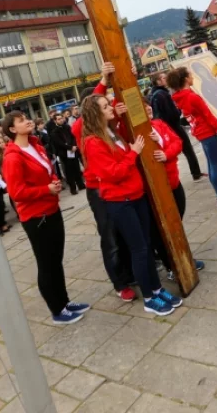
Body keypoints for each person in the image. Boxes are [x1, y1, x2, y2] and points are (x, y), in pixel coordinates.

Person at [80, 95, 181, 317]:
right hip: (120, 201)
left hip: (136, 195)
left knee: (145, 244)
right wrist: (133, 153)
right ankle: (149, 297)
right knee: (139, 250)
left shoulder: (111, 132)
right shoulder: (93, 142)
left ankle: (157, 289)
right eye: (105, 107)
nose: (110, 109)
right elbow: (111, 173)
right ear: (95, 114)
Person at [0, 110, 89, 324]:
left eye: (26, 118)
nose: (27, 121)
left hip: (51, 208)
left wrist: (54, 182)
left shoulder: (35, 144)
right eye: (21, 120)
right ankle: (57, 310)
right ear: (12, 129)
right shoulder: (12, 157)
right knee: (47, 264)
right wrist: (45, 189)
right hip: (35, 216)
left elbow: (48, 169)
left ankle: (65, 302)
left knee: (56, 260)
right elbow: (16, 193)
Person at [72, 72, 135, 302]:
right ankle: (119, 283)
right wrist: (103, 81)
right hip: (98, 190)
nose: (108, 106)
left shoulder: (109, 128)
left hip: (116, 187)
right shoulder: (82, 128)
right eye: (103, 104)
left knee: (123, 232)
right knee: (110, 237)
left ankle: (129, 272)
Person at [167, 66, 217, 211]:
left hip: (200, 133)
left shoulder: (181, 97)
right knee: (215, 166)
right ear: (186, 79)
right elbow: (209, 116)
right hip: (207, 133)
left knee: (211, 165)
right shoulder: (192, 97)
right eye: (190, 75)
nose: (193, 77)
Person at [146, 99, 204, 278]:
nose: (148, 109)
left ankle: (182, 256)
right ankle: (170, 264)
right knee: (162, 228)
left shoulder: (158, 123)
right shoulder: (137, 133)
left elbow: (177, 142)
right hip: (157, 188)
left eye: (148, 106)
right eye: (143, 108)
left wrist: (165, 150)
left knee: (177, 220)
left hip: (174, 181)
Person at [149, 70, 203, 182]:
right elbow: (172, 114)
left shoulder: (153, 95)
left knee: (178, 150)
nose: (166, 80)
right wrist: (178, 110)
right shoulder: (163, 94)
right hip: (173, 126)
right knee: (187, 148)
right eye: (163, 78)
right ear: (158, 81)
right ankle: (196, 173)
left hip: (165, 127)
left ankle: (194, 172)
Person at [50, 112, 84, 194]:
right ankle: (73, 188)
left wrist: (74, 146)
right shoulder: (54, 132)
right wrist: (69, 147)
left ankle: (81, 185)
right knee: (69, 172)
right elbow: (59, 143)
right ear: (55, 121)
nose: (61, 120)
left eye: (61, 118)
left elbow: (73, 136)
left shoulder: (67, 127)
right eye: (58, 119)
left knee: (76, 168)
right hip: (64, 154)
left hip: (73, 151)